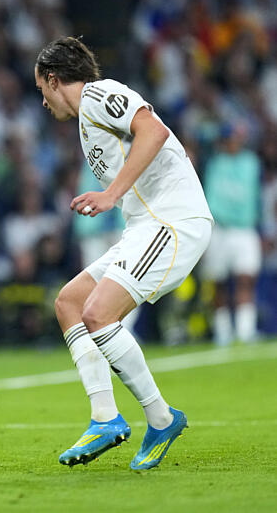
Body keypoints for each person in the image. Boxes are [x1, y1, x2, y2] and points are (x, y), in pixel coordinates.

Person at [34, 37, 213, 470]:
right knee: (70, 303)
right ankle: (104, 418)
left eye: (41, 89)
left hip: (172, 221)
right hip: (144, 227)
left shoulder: (99, 94)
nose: (42, 101)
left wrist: (111, 194)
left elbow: (154, 130)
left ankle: (161, 418)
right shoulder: (87, 120)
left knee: (98, 314)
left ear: (54, 80)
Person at [201, 123, 262, 345]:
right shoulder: (214, 163)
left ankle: (245, 331)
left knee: (246, 277)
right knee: (218, 281)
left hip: (244, 228)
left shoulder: (251, 163)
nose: (234, 142)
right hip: (220, 229)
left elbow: (256, 196)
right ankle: (223, 331)